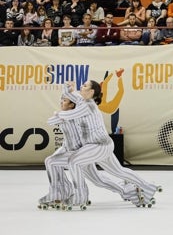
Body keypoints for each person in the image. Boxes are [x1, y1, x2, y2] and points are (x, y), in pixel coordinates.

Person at [57, 80, 162, 209]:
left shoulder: (88, 105)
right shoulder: (81, 101)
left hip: (98, 146)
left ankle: (79, 196)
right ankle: (148, 187)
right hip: (102, 145)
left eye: (84, 86)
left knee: (73, 162)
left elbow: (69, 114)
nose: (81, 87)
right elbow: (69, 94)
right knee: (119, 171)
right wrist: (68, 87)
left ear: (91, 92)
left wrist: (57, 115)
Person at [38, 90, 141, 209]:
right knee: (51, 162)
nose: (61, 102)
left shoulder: (75, 116)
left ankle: (127, 191)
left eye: (65, 100)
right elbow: (63, 135)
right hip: (73, 151)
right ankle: (60, 192)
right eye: (62, 100)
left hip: (82, 153)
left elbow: (55, 122)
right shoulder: (67, 115)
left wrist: (58, 115)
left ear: (72, 105)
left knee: (98, 180)